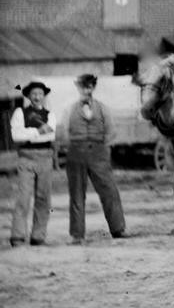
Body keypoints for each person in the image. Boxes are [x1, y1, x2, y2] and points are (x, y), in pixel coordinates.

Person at [64, 73, 127, 243]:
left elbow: (111, 131)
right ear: (78, 88)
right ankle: (77, 235)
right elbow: (64, 132)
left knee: (109, 190)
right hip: (76, 153)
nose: (86, 89)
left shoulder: (103, 108)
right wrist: (75, 146)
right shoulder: (70, 109)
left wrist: (101, 148)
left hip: (98, 153)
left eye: (89, 86)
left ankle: (118, 228)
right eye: (83, 86)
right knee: (77, 193)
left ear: (93, 88)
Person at [9, 81, 56, 246]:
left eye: (40, 94)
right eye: (34, 94)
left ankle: (38, 236)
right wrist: (37, 131)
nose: (37, 97)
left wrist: (28, 133)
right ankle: (18, 236)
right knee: (23, 197)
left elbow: (50, 136)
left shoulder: (50, 114)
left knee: (44, 198)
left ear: (44, 96)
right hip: (26, 157)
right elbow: (16, 136)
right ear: (28, 96)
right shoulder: (20, 112)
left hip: (45, 157)